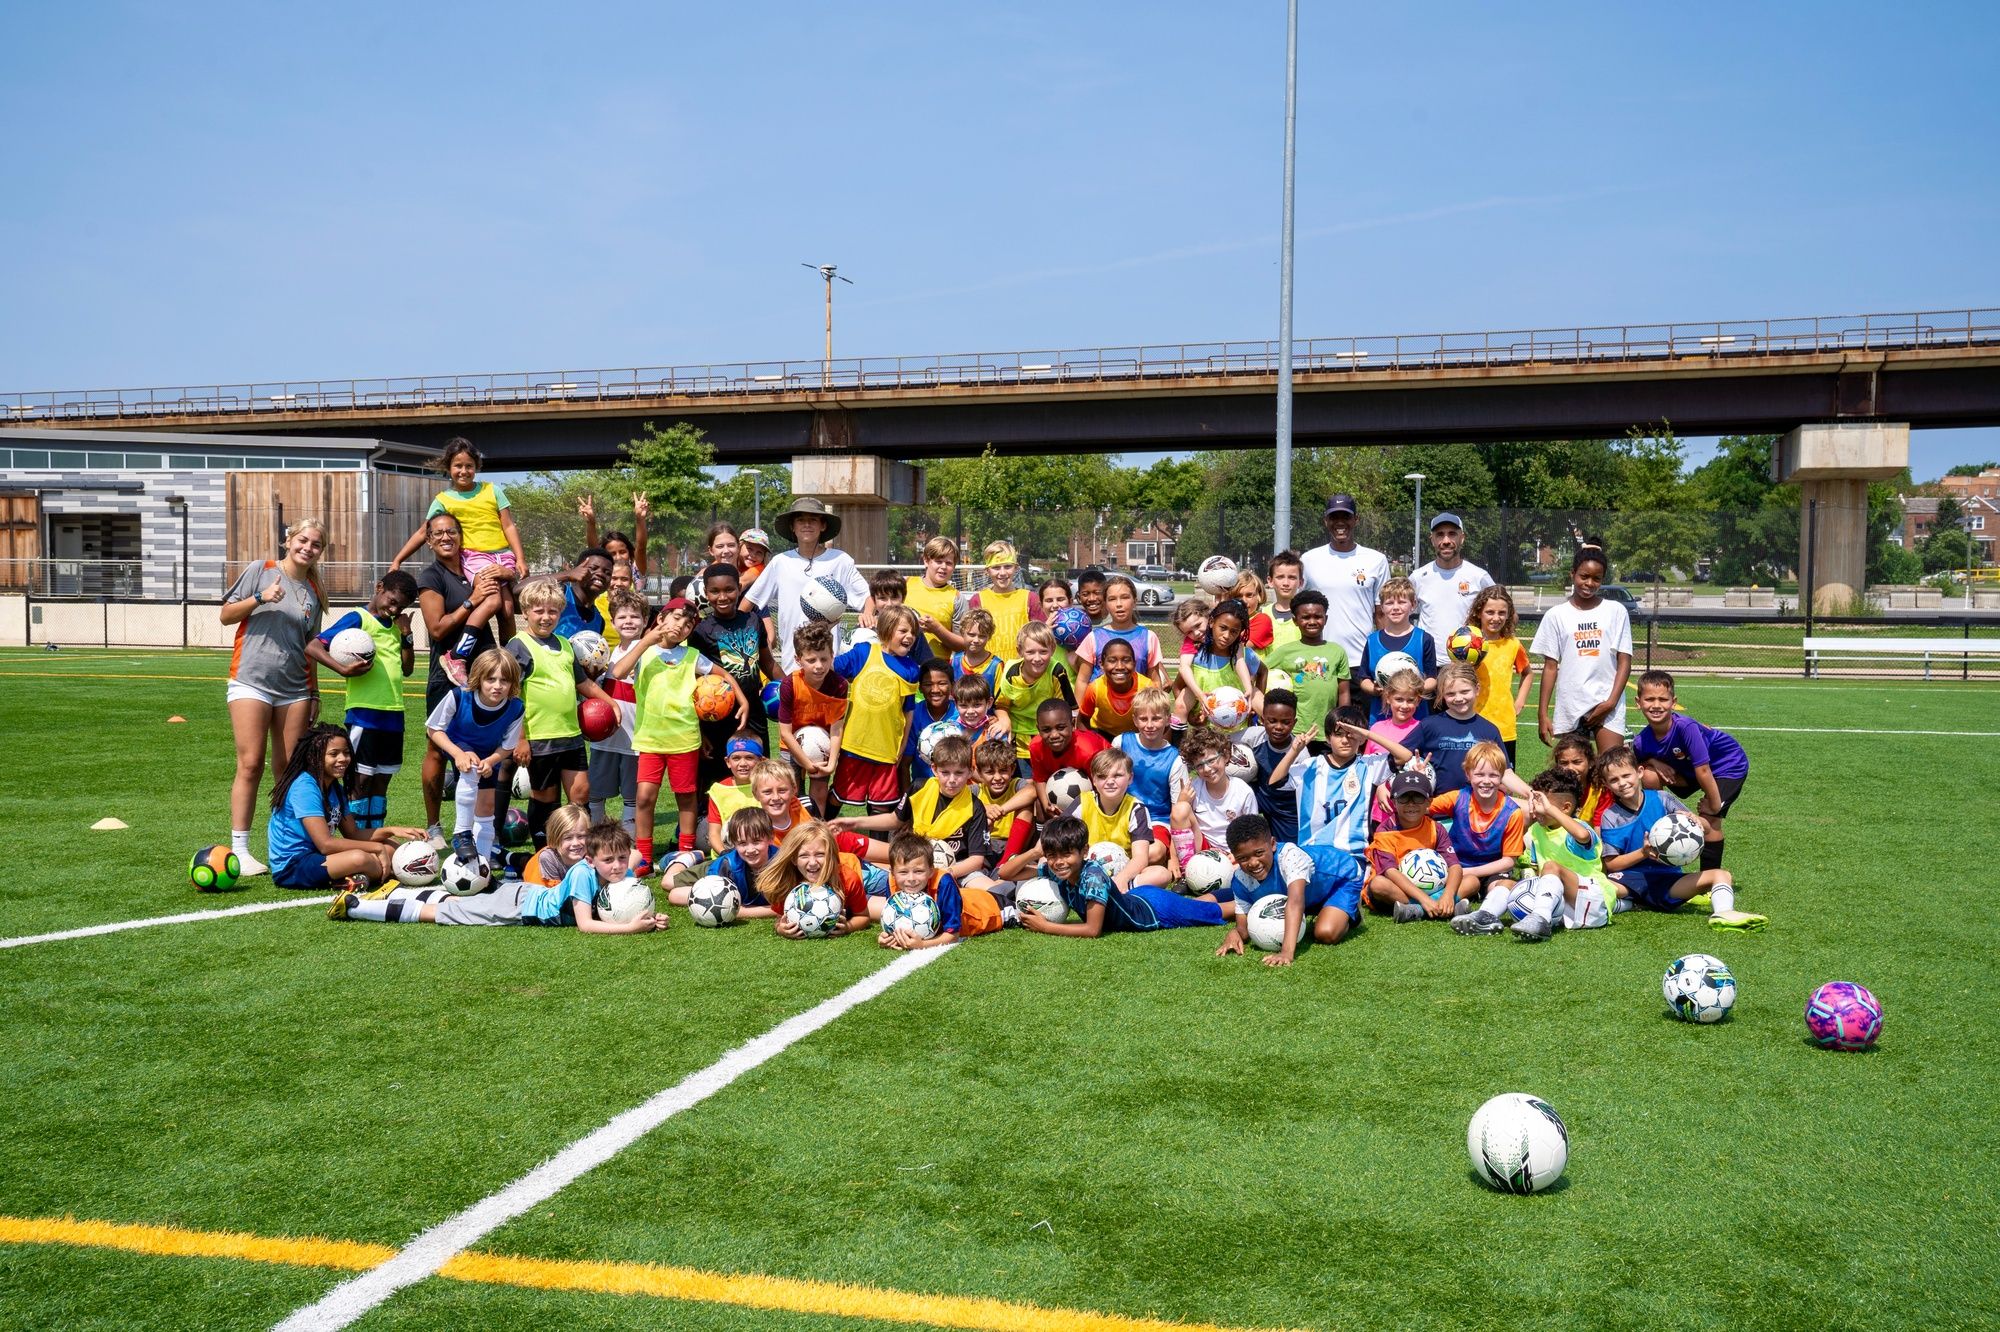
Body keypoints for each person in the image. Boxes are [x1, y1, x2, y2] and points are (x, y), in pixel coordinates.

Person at [219, 516, 330, 877]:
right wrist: (259, 597)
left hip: (295, 689)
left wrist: (314, 692)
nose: (307, 548)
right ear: (288, 541)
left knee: (288, 771)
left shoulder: (314, 591)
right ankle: (240, 848)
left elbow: (310, 647)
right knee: (251, 763)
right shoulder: (260, 570)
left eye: (315, 544)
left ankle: (284, 845)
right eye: (302, 540)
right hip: (251, 680)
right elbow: (225, 615)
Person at [330, 819, 669, 933]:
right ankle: (356, 906)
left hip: (522, 896)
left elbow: (614, 904)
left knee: (452, 904)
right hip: (518, 907)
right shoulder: (583, 874)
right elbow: (585, 924)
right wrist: (630, 928)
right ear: (592, 860)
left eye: (622, 859)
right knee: (443, 914)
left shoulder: (616, 877)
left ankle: (389, 894)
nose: (617, 866)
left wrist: (650, 917)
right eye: (608, 860)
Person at [615, 596, 746, 872]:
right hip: (650, 740)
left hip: (684, 740)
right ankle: (645, 857)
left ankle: (685, 853)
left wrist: (742, 699)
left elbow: (724, 676)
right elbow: (618, 672)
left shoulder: (691, 656)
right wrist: (645, 641)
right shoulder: (644, 652)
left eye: (688, 625)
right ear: (661, 618)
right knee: (644, 798)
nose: (681, 627)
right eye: (676, 618)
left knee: (686, 797)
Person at [1595, 744, 1764, 932]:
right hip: (1629, 881)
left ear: (1640, 772)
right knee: (1599, 887)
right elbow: (1612, 865)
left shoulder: (1662, 799)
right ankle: (1626, 903)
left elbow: (1706, 829)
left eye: (1626, 775)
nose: (1622, 783)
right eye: (1614, 780)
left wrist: (1698, 820)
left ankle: (1724, 913)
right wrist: (1643, 853)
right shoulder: (1610, 816)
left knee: (1721, 875)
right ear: (1606, 784)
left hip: (1670, 880)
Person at [389, 438, 524, 666]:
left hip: (501, 555)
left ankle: (512, 660)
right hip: (475, 557)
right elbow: (424, 532)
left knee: (508, 609)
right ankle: (458, 655)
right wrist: (398, 559)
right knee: (492, 603)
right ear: (449, 469)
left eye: (469, 465)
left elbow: (508, 525)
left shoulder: (493, 491)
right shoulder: (443, 500)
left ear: (477, 467)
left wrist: (520, 558)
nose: (464, 471)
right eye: (458, 466)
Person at [508, 576, 617, 850]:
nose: (546, 617)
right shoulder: (518, 645)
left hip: (571, 735)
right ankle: (545, 852)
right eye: (539, 611)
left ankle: (583, 850)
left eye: (553, 611)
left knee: (580, 794)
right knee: (545, 798)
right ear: (526, 612)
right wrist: (520, 739)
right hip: (539, 737)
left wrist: (611, 703)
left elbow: (584, 683)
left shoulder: (566, 644)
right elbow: (512, 695)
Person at [414, 512, 505, 838]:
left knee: (488, 748)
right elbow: (437, 629)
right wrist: (472, 600)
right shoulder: (430, 576)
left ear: (461, 536)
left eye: (451, 531)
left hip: (485, 673)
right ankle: (434, 826)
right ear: (428, 540)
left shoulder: (472, 568)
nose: (445, 537)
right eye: (437, 533)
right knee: (437, 748)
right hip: (448, 672)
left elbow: (508, 584)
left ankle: (480, 829)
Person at [310, 570, 419, 830]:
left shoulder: (396, 626)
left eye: (401, 607)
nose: (394, 610)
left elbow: (407, 669)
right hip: (364, 714)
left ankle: (376, 837)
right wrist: (343, 669)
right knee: (359, 781)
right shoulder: (358, 618)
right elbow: (313, 646)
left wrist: (407, 635)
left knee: (382, 780)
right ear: (380, 587)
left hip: (394, 713)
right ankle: (355, 842)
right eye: (391, 601)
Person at [268, 724, 423, 892]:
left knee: (391, 847)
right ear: (314, 757)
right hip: (293, 865)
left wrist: (392, 830)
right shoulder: (305, 787)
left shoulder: (334, 788)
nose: (343, 759)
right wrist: (376, 849)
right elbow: (326, 844)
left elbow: (354, 833)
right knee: (360, 858)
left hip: (319, 857)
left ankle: (356, 877)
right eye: (333, 754)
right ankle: (378, 873)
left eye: (346, 752)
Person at [1014, 815, 1225, 936]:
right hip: (1140, 897)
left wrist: (1046, 927)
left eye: (1066, 854)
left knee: (1215, 912)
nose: (1058, 862)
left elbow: (1093, 930)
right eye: (1052, 856)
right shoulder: (1060, 868)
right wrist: (1035, 853)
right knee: (1194, 906)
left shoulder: (1092, 877)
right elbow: (1007, 873)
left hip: (1154, 910)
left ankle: (1246, 902)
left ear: (1084, 851)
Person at [1628, 670, 1750, 873]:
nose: (1656, 705)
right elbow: (1634, 765)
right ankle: (1661, 830)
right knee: (1648, 773)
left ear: (1673, 702)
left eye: (1663, 699)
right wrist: (1652, 761)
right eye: (1649, 699)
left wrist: (1713, 804)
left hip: (1727, 765)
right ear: (1638, 702)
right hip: (1689, 771)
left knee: (1710, 819)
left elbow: (1703, 769)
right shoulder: (1642, 741)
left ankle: (1709, 882)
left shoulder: (1686, 727)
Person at [836, 733, 990, 884]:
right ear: (934, 769)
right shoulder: (919, 788)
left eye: (959, 773)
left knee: (985, 888)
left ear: (970, 772)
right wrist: (856, 822)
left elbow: (976, 859)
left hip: (956, 870)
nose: (952, 780)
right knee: (859, 869)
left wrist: (947, 873)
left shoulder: (975, 807)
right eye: (945, 773)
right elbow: (894, 820)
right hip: (912, 861)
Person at [744, 497, 873, 674]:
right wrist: (731, 626)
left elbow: (867, 597)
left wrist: (867, 613)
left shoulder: (840, 560)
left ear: (823, 525)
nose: (807, 525)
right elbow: (750, 600)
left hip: (828, 661)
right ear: (792, 527)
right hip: (793, 661)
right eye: (800, 520)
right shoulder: (781, 562)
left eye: (813, 519)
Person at [1215, 814, 1366, 965]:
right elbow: (1243, 929)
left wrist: (1286, 952)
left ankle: (1353, 914)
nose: (1253, 863)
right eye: (1243, 858)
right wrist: (1234, 933)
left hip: (1343, 876)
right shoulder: (1240, 880)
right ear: (1234, 857)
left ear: (1273, 844)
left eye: (1259, 853)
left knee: (1326, 933)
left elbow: (1295, 903)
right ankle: (1324, 908)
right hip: (1311, 890)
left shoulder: (1289, 857)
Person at [424, 647, 527, 865]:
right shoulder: (459, 696)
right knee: (470, 764)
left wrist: (491, 762)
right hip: (457, 744)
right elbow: (434, 729)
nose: (498, 686)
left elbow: (508, 746)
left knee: (487, 806)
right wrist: (458, 753)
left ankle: (483, 862)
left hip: (489, 754)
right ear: (478, 678)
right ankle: (462, 834)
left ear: (513, 683)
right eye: (491, 679)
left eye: (504, 680)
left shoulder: (515, 707)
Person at [1532, 542, 1632, 752]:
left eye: (1596, 578)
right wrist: (1542, 715)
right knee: (1574, 772)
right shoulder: (1556, 615)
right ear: (1573, 574)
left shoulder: (1616, 611)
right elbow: (1550, 667)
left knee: (1611, 769)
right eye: (1584, 576)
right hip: (1572, 702)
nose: (1589, 583)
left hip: (1607, 701)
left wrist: (1611, 703)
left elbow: (1625, 660)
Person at [829, 604, 924, 816]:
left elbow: (908, 711)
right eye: (903, 631)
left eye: (913, 633)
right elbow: (831, 668)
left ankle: (879, 847)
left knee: (882, 805)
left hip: (886, 748)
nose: (910, 636)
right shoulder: (863, 652)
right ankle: (821, 834)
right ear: (887, 629)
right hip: (854, 743)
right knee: (838, 796)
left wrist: (900, 748)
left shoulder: (911, 669)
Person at [694, 562, 778, 799]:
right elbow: (695, 680)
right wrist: (702, 731)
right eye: (715, 591)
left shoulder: (752, 620)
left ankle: (758, 824)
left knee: (758, 772)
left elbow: (767, 663)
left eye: (729, 590)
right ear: (706, 593)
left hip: (754, 713)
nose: (723, 597)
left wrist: (791, 686)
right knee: (718, 776)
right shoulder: (700, 631)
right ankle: (709, 827)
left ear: (739, 588)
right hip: (718, 716)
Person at [1359, 663, 1504, 797]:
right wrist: (1385, 785)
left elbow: (1505, 772)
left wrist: (1526, 791)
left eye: (1464, 691)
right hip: (1435, 809)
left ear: (1477, 689)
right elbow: (1397, 759)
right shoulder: (1429, 725)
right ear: (1442, 694)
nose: (1458, 698)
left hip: (1476, 811)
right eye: (1451, 694)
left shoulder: (1490, 730)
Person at [1271, 705, 1387, 870]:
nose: (1345, 740)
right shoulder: (1310, 766)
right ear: (1327, 737)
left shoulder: (1369, 766)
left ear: (1361, 738)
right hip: (1312, 855)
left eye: (1352, 735)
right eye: (1338, 735)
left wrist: (1368, 734)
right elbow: (1274, 782)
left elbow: (1404, 755)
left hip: (1353, 856)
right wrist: (1294, 751)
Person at [1505, 767, 1613, 942]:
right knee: (1507, 883)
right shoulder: (1536, 831)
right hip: (1562, 905)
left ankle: (1539, 919)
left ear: (1566, 808)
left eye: (1542, 804)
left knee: (1552, 867)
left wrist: (1550, 809)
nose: (1535, 809)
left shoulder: (1579, 827)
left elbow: (1583, 836)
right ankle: (1485, 915)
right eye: (1535, 802)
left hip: (1593, 900)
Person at [1437, 742, 1532, 936]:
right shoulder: (1457, 798)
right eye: (1480, 774)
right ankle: (1447, 904)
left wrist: (1468, 871)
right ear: (1468, 775)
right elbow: (1422, 807)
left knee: (1508, 885)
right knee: (1468, 882)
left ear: (1502, 777)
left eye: (1493, 775)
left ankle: (1483, 915)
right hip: (1458, 867)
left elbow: (1508, 861)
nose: (1486, 781)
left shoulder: (1512, 812)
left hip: (1491, 869)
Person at [1299, 493, 1389, 667]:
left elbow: (1381, 613)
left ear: (1356, 519)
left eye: (1346, 516)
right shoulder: (1309, 559)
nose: (1340, 522)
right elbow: (1296, 609)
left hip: (1361, 659)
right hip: (1320, 659)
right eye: (1334, 517)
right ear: (1326, 521)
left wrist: (1382, 654)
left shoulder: (1376, 560)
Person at [876, 832, 1009, 950]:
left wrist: (921, 945)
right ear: (892, 872)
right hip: (971, 896)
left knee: (1021, 904)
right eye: (903, 872)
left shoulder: (944, 882)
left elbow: (953, 935)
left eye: (919, 871)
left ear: (931, 871)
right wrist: (888, 936)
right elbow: (897, 918)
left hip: (993, 909)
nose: (911, 879)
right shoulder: (891, 881)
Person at [1365, 767, 1464, 923]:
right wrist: (1424, 899)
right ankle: (1431, 906)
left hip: (1433, 889)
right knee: (1378, 885)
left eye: (1418, 798)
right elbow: (1390, 872)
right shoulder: (1384, 830)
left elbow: (1454, 865)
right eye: (1404, 798)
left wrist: (1448, 894)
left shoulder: (1435, 828)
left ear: (1429, 802)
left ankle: (1417, 910)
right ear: (1393, 801)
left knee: (1471, 881)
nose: (1411, 804)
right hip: (1398, 888)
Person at [587, 588, 648, 833]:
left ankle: (629, 840)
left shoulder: (649, 653)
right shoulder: (605, 655)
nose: (629, 621)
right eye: (622, 617)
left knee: (632, 796)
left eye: (635, 616)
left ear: (645, 621)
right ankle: (596, 835)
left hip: (636, 739)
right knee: (595, 792)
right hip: (604, 740)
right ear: (613, 622)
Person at [776, 621, 848, 816]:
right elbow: (785, 731)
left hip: (821, 745)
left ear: (832, 656)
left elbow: (836, 728)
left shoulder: (839, 685)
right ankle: (792, 834)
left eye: (824, 659)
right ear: (798, 660)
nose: (819, 666)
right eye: (811, 660)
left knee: (819, 792)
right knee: (789, 791)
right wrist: (806, 764)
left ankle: (817, 829)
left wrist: (832, 763)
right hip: (790, 745)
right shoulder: (789, 684)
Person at [760, 821, 876, 939]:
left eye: (820, 854)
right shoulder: (785, 881)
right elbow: (780, 918)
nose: (812, 862)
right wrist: (781, 928)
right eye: (804, 855)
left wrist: (848, 927)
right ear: (794, 859)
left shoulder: (848, 878)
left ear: (830, 856)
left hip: (864, 873)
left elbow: (863, 917)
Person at [1116, 686, 1191, 866]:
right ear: (1135, 720)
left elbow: (1178, 809)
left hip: (1157, 819)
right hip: (1123, 814)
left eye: (1156, 718)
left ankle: (1122, 864)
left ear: (1167, 719)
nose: (1150, 725)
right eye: (1143, 719)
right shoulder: (1121, 743)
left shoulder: (1175, 759)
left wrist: (1173, 857)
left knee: (1155, 853)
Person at [1261, 589, 1349, 741]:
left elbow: (1343, 692)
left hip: (1327, 731)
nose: (1312, 621)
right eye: (1306, 617)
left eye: (1318, 617)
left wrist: (1343, 721)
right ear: (1295, 621)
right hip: (1296, 731)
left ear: (1326, 619)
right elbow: (1259, 670)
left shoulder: (1337, 651)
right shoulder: (1285, 651)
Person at [668, 805, 780, 918]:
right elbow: (731, 910)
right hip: (712, 869)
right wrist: (773, 910)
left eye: (756, 842)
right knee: (669, 885)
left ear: (770, 838)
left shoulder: (782, 862)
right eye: (742, 843)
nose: (750, 849)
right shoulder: (726, 867)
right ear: (734, 844)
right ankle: (685, 859)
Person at [993, 621, 1076, 773]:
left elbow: (1069, 709)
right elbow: (1000, 705)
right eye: (1030, 652)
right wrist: (1004, 720)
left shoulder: (1057, 672)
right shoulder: (1011, 673)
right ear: (1020, 651)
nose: (1037, 658)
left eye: (1043, 652)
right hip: (1019, 739)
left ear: (1052, 650)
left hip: (1050, 737)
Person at [1358, 576, 1438, 724]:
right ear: (1381, 607)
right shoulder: (1372, 640)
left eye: (1402, 602)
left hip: (1416, 717)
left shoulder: (1424, 639)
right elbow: (1364, 679)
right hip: (1381, 718)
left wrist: (1413, 691)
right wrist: (1376, 690)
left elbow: (1432, 678)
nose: (1395, 607)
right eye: (1389, 603)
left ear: (1413, 604)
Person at [1466, 586, 1532, 764]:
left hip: (1504, 726)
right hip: (1472, 721)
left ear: (1509, 614)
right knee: (1474, 774)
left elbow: (1527, 673)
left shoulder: (1513, 644)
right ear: (1479, 613)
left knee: (1505, 777)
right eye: (1490, 612)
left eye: (1502, 613)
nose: (1496, 618)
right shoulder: (1468, 643)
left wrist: (1519, 702)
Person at [1174, 598, 1262, 728]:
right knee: (1180, 706)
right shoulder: (1191, 644)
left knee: (1264, 705)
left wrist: (1248, 688)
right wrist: (1199, 695)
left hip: (1234, 699)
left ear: (1209, 619)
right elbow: (1183, 669)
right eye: (1189, 632)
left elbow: (1240, 661)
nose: (1196, 633)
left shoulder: (1235, 642)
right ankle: (1176, 745)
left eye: (1198, 625)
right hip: (1204, 695)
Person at [1410, 512, 1494, 648]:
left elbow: (1507, 614)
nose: (1446, 541)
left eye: (1452, 534)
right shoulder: (1418, 577)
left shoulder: (1479, 577)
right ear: (1432, 540)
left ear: (1462, 538)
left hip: (1467, 663)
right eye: (1440, 534)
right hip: (1429, 662)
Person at [1176, 726, 1258, 854]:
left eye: (1211, 760)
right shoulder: (1194, 789)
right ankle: (1186, 862)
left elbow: (1252, 832)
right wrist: (1173, 860)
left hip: (1235, 850)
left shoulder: (1243, 791)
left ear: (1225, 756)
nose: (1207, 769)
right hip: (1204, 848)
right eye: (1200, 765)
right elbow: (1177, 824)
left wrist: (1237, 855)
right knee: (1180, 808)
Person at [1237, 688, 1302, 842]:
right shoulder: (1254, 735)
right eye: (1272, 721)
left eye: (1286, 722)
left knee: (1288, 850)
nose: (1278, 727)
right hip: (1259, 795)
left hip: (1286, 809)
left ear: (1294, 722)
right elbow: (1220, 740)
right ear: (1262, 719)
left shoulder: (1300, 753)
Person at [1075, 575, 1163, 685]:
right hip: (1101, 702)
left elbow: (1154, 680)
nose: (1119, 604)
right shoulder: (1093, 637)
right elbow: (1082, 681)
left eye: (1125, 597)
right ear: (1106, 604)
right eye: (1112, 599)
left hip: (1138, 701)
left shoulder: (1149, 637)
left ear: (1134, 601)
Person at [581, 491, 651, 624]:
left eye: (622, 551)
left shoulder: (636, 573)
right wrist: (591, 523)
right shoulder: (601, 574)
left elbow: (641, 547)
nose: (618, 557)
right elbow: (593, 551)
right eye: (612, 553)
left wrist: (640, 519)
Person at [967, 541, 1043, 663]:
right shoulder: (978, 600)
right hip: (988, 669)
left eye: (1008, 566)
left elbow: (1041, 639)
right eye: (996, 567)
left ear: (1016, 568)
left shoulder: (1030, 598)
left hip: (1021, 671)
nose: (1002, 573)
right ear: (987, 571)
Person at [1027, 697, 1109, 810]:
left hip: (1102, 789)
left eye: (1061, 728)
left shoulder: (1089, 751)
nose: (1054, 735)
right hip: (1061, 794)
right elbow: (1040, 780)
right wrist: (1047, 806)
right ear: (1038, 729)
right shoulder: (1036, 746)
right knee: (1040, 805)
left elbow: (1105, 785)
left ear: (1073, 723)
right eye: (1046, 730)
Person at [905, 536, 970, 659]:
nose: (944, 567)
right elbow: (876, 595)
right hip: (901, 662)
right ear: (926, 561)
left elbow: (963, 644)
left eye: (949, 563)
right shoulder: (906, 584)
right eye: (939, 561)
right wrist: (868, 612)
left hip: (936, 670)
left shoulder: (957, 598)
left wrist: (937, 629)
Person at [1075, 637, 1152, 739]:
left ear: (1134, 664)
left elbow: (1162, 723)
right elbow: (1083, 720)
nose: (1119, 666)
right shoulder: (1095, 688)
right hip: (1103, 734)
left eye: (1126, 660)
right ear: (1102, 665)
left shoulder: (1147, 688)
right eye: (1112, 661)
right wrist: (1090, 744)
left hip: (1137, 736)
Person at [702, 734, 768, 849]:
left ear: (761, 760)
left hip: (761, 849)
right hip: (727, 851)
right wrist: (724, 854)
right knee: (702, 835)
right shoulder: (719, 790)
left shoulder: (769, 785)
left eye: (749, 757)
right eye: (736, 758)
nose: (742, 764)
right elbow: (714, 834)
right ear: (728, 762)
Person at [902, 659, 959, 788]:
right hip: (924, 788)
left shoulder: (962, 713)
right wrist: (907, 800)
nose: (935, 689)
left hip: (957, 788)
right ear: (920, 687)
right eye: (928, 684)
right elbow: (905, 764)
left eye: (942, 683)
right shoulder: (913, 715)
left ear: (953, 686)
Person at [521, 805, 591, 887]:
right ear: (555, 838)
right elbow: (556, 897)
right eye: (568, 838)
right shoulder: (548, 858)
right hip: (543, 894)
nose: (576, 843)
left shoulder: (592, 853)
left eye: (581, 836)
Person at [553, 548, 614, 639]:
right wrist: (567, 575)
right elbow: (524, 587)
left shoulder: (599, 622)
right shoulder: (559, 594)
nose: (600, 574)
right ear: (577, 570)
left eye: (608, 573)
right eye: (593, 568)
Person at [951, 609, 1002, 691]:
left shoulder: (996, 665)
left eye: (982, 636)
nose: (976, 640)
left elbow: (1001, 701)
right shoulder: (955, 661)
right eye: (971, 635)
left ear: (989, 637)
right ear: (962, 633)